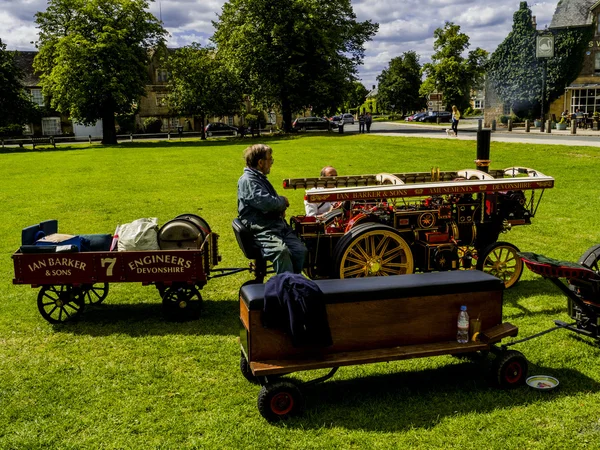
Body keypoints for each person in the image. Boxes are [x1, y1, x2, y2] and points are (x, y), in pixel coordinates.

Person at [237, 143, 307, 274]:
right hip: (262, 228)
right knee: (281, 252)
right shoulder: (248, 180)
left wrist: (278, 208)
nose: (272, 163)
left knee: (300, 251)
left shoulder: (258, 178)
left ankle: (295, 283)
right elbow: (265, 202)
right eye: (270, 159)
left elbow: (267, 202)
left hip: (276, 226)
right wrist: (283, 201)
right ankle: (286, 288)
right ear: (260, 162)